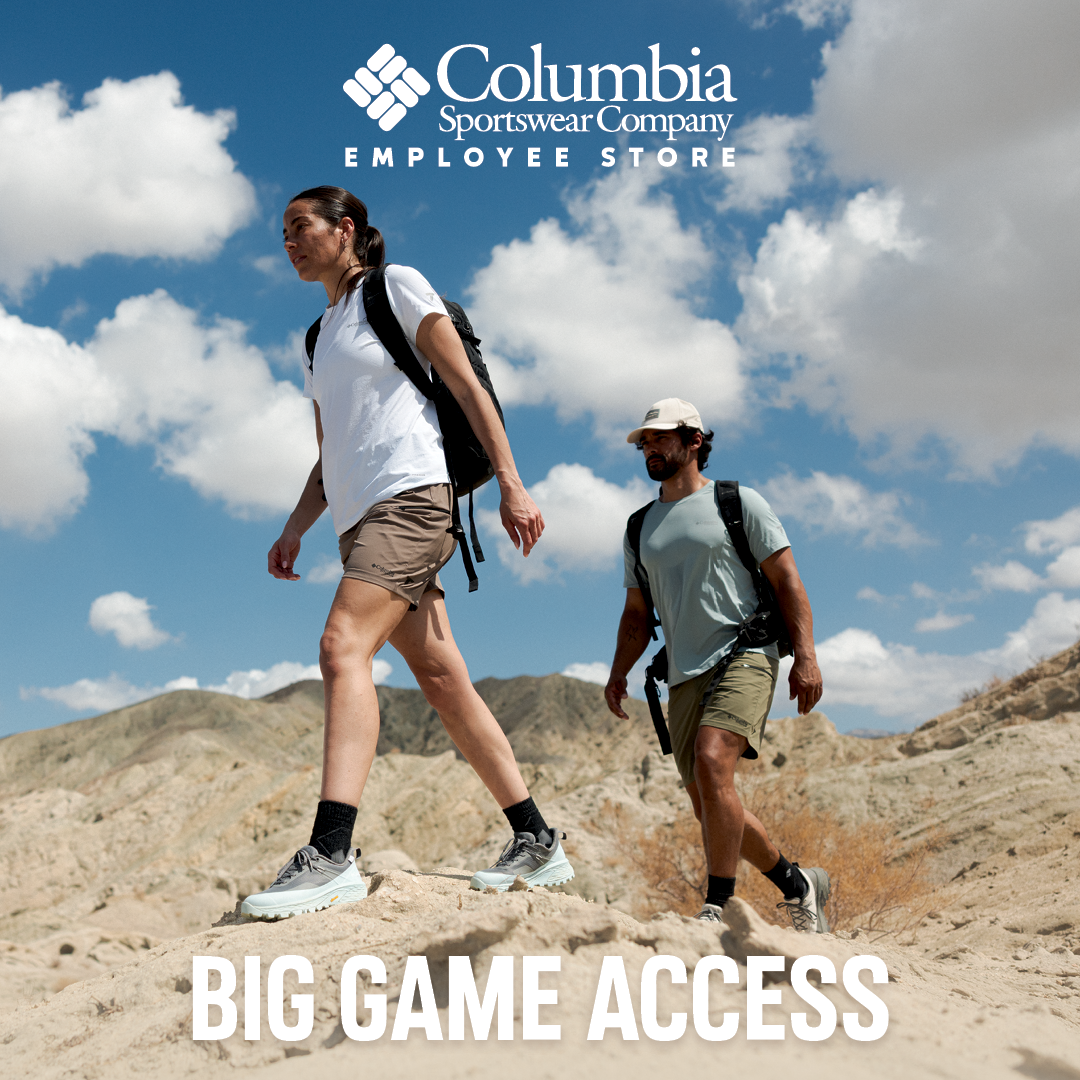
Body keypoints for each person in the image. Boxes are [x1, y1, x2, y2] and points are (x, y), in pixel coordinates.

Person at [241, 186, 573, 919]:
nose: (288, 242)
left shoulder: (394, 287)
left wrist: (512, 483)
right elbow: (330, 452)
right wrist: (295, 526)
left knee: (342, 646)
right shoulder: (317, 337)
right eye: (283, 232)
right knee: (443, 679)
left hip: (413, 498)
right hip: (358, 521)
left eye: (300, 226)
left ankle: (330, 852)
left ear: (345, 230)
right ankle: (537, 839)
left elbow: (467, 388)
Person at [604, 398, 828, 931]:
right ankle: (799, 884)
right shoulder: (639, 527)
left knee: (712, 762)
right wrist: (618, 672)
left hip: (746, 652)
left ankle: (718, 904)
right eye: (644, 443)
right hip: (683, 672)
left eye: (660, 439)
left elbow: (787, 580)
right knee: (709, 806)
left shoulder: (738, 502)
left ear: (694, 440)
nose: (650, 449)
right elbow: (637, 613)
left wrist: (806, 656)